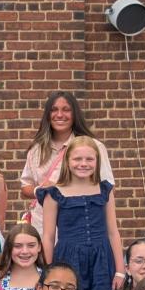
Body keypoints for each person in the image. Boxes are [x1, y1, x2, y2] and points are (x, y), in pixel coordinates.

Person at [38, 136, 123, 290]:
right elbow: (48, 236)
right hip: (68, 257)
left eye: (89, 159)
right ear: (67, 161)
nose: (83, 164)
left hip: (101, 258)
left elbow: (113, 232)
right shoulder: (54, 194)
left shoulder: (105, 190)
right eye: (77, 159)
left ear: (97, 161)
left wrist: (120, 270)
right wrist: (48, 270)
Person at [19, 90, 116, 233]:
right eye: (54, 110)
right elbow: (25, 186)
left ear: (75, 114)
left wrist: (64, 190)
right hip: (41, 226)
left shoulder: (94, 147)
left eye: (66, 110)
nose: (59, 115)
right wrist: (40, 190)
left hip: (80, 227)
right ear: (48, 115)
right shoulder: (36, 150)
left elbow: (108, 188)